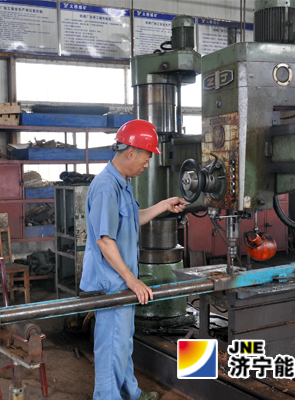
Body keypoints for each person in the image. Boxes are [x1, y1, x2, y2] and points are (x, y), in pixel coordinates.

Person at [80, 120, 187, 400]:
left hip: (121, 281)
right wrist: (132, 280)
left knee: (122, 343)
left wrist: (164, 205)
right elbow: (105, 240)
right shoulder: (106, 187)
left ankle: (130, 394)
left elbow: (131, 220)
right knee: (111, 347)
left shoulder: (122, 183)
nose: (146, 165)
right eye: (146, 159)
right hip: (112, 284)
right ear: (131, 152)